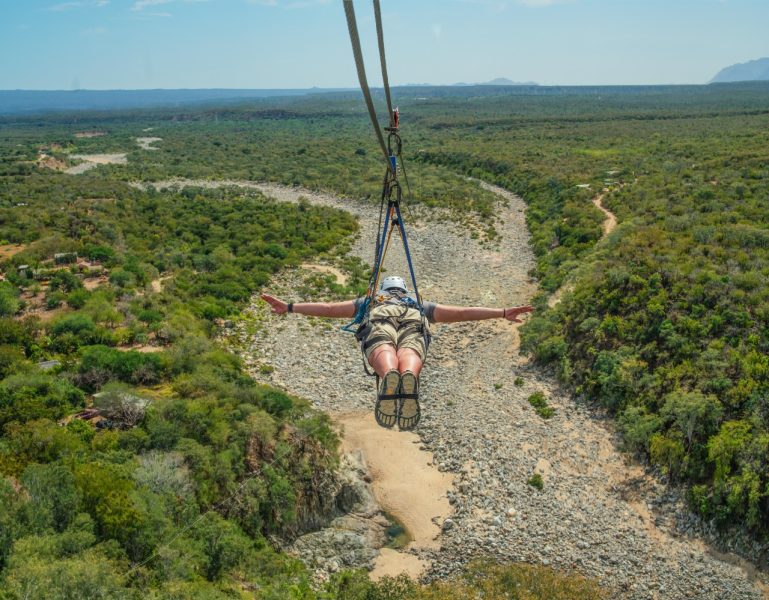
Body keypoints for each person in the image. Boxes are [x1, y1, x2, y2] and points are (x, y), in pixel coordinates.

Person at [261, 275, 533, 430]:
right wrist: (503, 312)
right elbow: (461, 313)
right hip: (413, 321)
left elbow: (329, 308)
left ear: (384, 290)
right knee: (412, 346)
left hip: (379, 318)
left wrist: (290, 306)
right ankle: (408, 374)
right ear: (404, 290)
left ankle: (388, 371)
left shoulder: (369, 302)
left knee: (381, 344)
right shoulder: (418, 304)